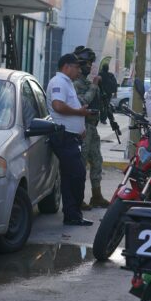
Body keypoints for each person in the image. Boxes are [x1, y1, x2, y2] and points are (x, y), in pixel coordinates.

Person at [46, 54, 93, 226]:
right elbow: (58, 106)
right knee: (77, 175)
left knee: (69, 176)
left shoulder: (67, 83)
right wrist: (80, 113)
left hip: (70, 135)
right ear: (66, 67)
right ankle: (73, 214)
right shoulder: (59, 82)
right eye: (77, 67)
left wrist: (79, 127)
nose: (80, 71)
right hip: (63, 136)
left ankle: (72, 215)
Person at [72, 46, 110, 209]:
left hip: (92, 127)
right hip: (82, 127)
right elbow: (82, 102)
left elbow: (97, 101)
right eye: (87, 64)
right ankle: (77, 198)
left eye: (90, 64)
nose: (90, 67)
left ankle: (97, 195)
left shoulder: (87, 82)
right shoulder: (74, 84)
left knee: (97, 161)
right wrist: (94, 86)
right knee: (80, 165)